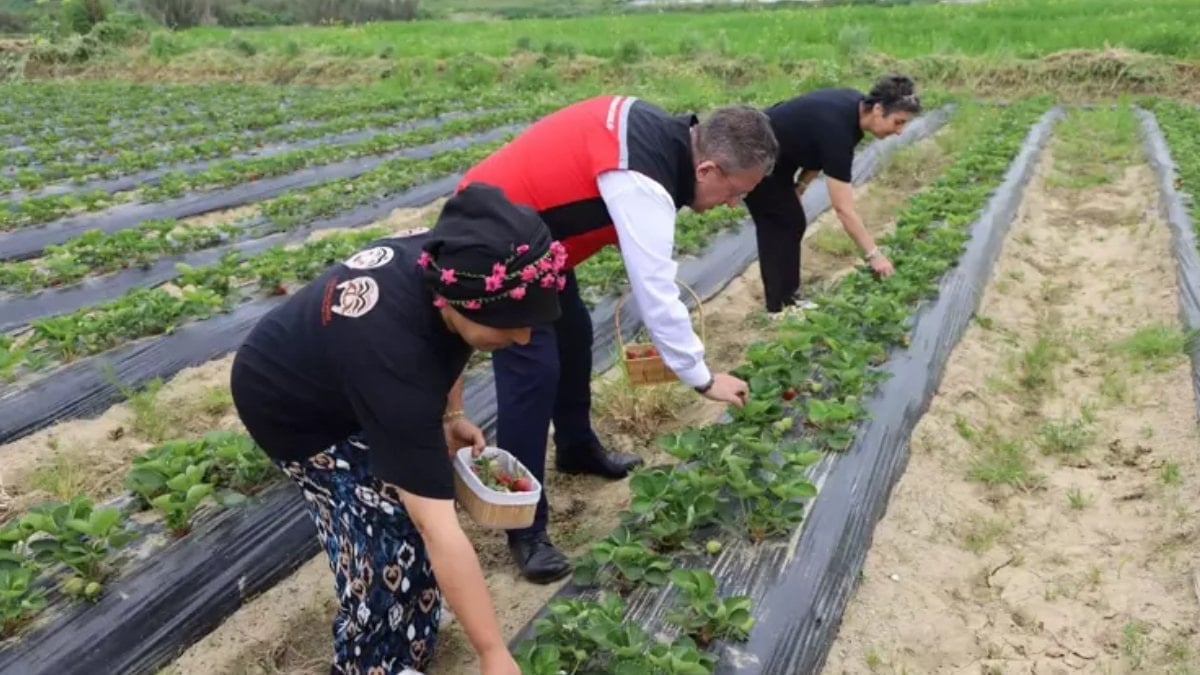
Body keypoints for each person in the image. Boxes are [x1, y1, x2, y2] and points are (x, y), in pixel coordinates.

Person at [229, 183, 570, 675]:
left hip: (351, 372)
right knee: (382, 544)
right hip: (291, 407)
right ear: (456, 302)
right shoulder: (396, 364)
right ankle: (369, 662)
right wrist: (493, 652)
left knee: (405, 520)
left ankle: (410, 648)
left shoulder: (456, 261)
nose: (522, 337)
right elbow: (439, 527)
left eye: (532, 323)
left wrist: (452, 416)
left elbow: (453, 343)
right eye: (509, 326)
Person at [456, 94, 779, 583]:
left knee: (574, 333)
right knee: (532, 370)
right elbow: (655, 291)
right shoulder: (642, 181)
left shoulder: (665, 138)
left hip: (537, 233)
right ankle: (524, 526)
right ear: (708, 167)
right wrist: (702, 377)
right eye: (735, 192)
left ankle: (576, 447)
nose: (731, 205)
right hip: (494, 235)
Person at [744, 73, 922, 318]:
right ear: (879, 109)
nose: (900, 131)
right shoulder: (838, 130)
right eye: (898, 122)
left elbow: (818, 150)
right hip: (752, 157)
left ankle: (787, 300)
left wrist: (801, 186)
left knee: (791, 222)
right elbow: (843, 209)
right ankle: (777, 309)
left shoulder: (855, 111)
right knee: (779, 225)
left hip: (780, 160)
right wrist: (875, 256)